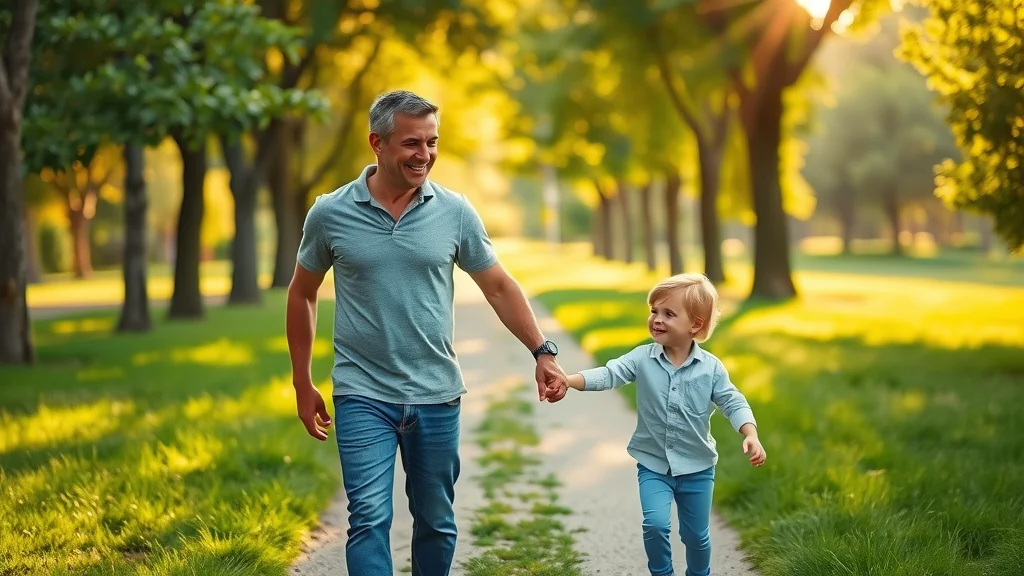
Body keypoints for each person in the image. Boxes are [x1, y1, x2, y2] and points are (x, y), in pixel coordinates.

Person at [285, 89, 567, 576]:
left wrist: (541, 351)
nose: (425, 155)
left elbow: (498, 286)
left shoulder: (454, 211)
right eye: (412, 144)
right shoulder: (330, 213)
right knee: (368, 519)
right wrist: (301, 380)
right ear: (377, 142)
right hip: (362, 392)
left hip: (436, 393)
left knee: (435, 521)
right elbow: (302, 292)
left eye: (432, 142)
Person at [559, 273, 766, 576]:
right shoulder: (642, 358)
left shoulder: (711, 369)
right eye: (654, 311)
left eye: (669, 313)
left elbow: (733, 402)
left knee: (695, 536)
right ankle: (662, 572)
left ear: (695, 324)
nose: (656, 319)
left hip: (698, 468)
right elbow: (609, 374)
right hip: (653, 464)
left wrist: (751, 433)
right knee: (655, 525)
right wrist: (569, 380)